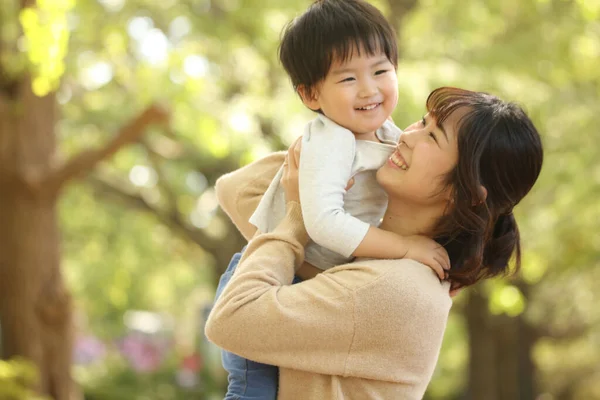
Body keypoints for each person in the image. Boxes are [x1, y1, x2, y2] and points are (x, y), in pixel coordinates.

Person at [206, 86, 544, 399]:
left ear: (467, 192)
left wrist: (297, 217)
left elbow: (231, 319)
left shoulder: (395, 287)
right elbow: (237, 190)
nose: (409, 136)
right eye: (422, 121)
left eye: (433, 136)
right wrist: (337, 156)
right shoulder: (370, 250)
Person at [211, 1, 449, 398]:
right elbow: (322, 222)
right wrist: (405, 248)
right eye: (348, 79)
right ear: (310, 94)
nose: (370, 89)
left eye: (380, 70)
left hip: (298, 276)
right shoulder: (332, 141)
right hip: (263, 276)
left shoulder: (388, 134)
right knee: (252, 389)